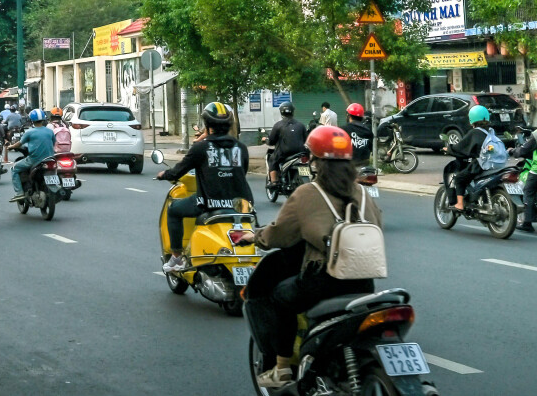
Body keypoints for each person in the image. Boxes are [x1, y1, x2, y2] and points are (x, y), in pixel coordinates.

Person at [245, 125, 384, 390]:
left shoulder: (308, 193)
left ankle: (283, 368)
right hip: (365, 284)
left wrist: (256, 237)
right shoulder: (362, 194)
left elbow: (280, 235)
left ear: (315, 161)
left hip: (322, 283)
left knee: (279, 299)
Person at [155, 102, 253, 274]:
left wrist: (165, 174)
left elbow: (178, 171)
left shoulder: (200, 148)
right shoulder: (241, 147)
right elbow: (241, 173)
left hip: (208, 203)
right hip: (241, 205)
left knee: (174, 210)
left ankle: (176, 258)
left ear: (207, 126)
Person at [446, 104, 505, 211]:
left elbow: (460, 147)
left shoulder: (474, 133)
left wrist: (449, 149)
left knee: (459, 178)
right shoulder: (490, 132)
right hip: (497, 165)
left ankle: (459, 204)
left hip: (481, 165)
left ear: (471, 118)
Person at [6, 109, 56, 203]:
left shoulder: (29, 132)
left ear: (31, 120)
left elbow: (19, 144)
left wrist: (10, 146)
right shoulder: (50, 131)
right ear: (43, 119)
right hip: (50, 159)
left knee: (14, 168)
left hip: (34, 160)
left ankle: (19, 193)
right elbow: (53, 143)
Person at [264, 102, 307, 185]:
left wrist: (266, 140)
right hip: (301, 153)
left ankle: (274, 182)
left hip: (284, 153)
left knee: (272, 159)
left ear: (281, 112)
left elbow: (271, 141)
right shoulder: (301, 125)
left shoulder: (278, 125)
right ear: (293, 112)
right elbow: (306, 139)